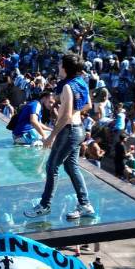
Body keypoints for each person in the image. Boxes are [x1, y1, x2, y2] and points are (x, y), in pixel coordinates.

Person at [26, 54, 95, 220]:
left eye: (60, 64)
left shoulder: (67, 87)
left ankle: (45, 205)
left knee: (52, 166)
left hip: (69, 131)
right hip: (79, 129)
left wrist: (51, 136)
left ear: (65, 68)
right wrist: (72, 111)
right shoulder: (80, 82)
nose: (58, 66)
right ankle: (85, 204)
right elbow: (88, 105)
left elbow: (65, 117)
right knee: (71, 167)